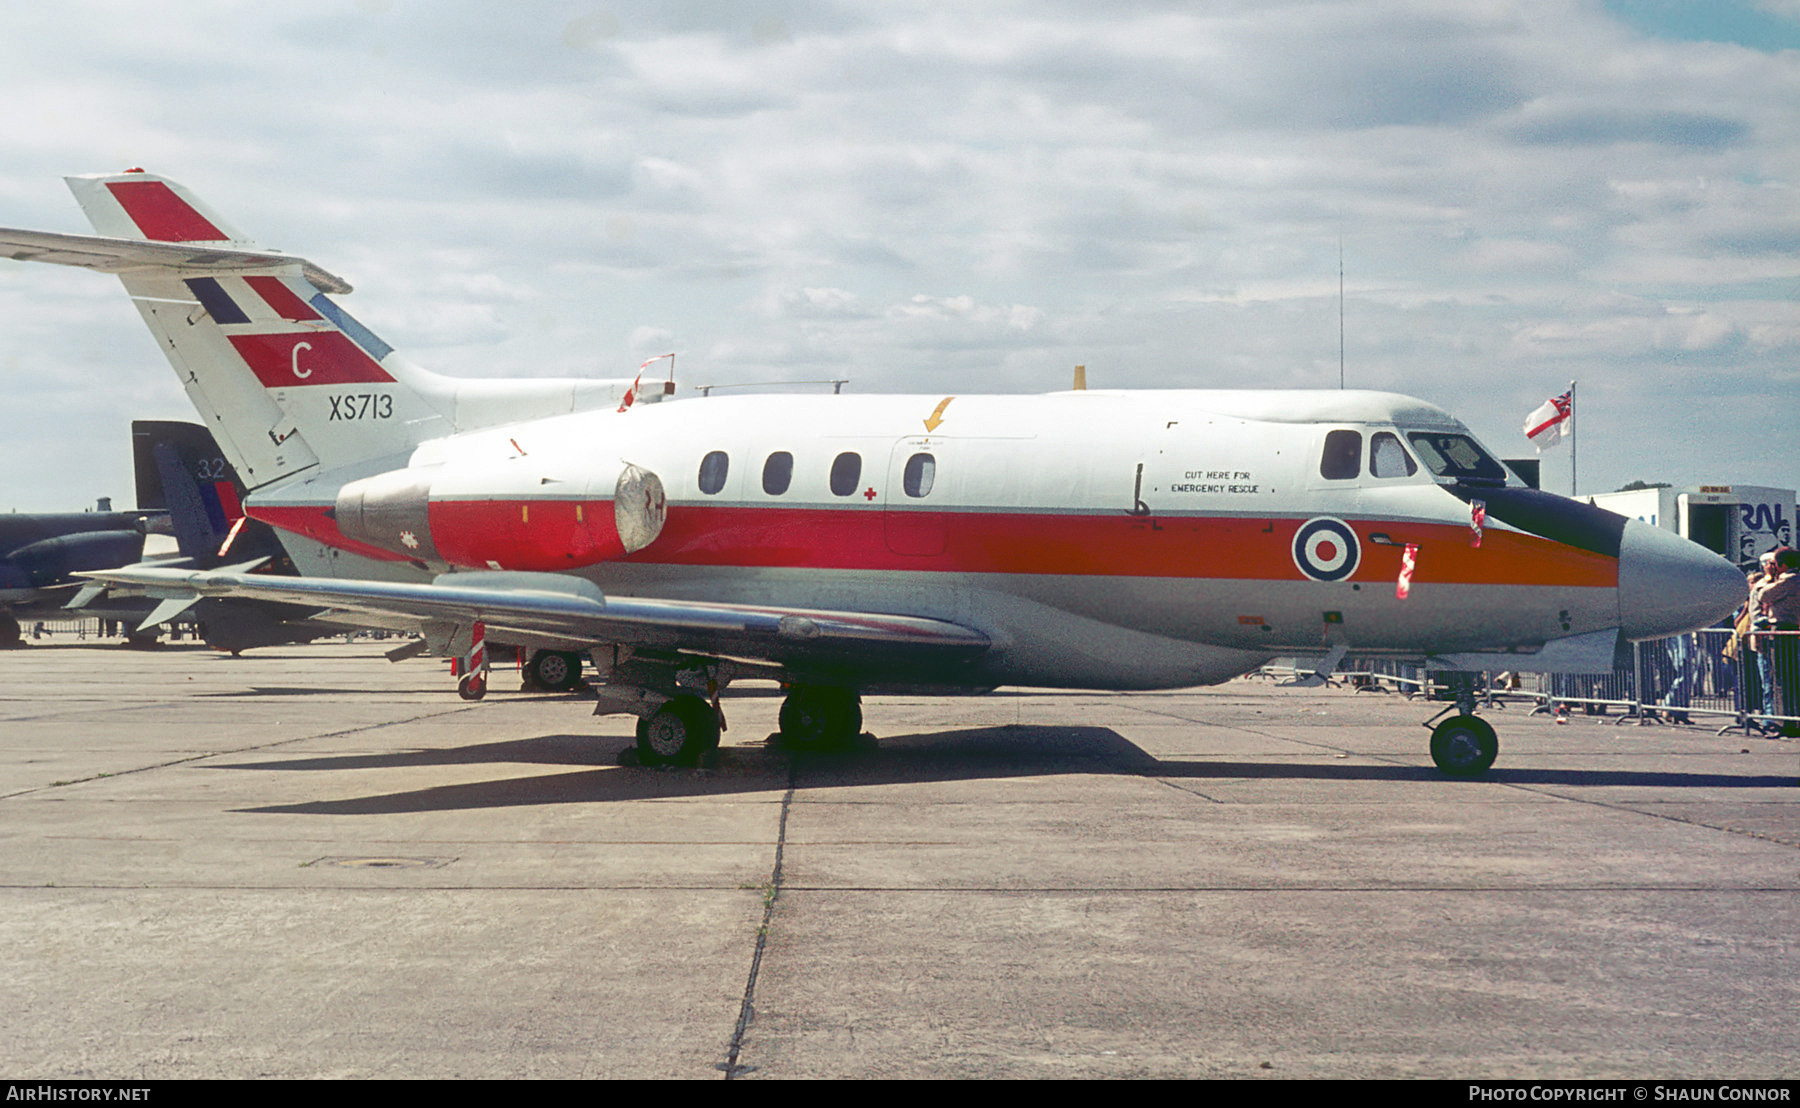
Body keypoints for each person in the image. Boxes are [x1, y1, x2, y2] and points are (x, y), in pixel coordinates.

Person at [1750, 548, 1800, 736]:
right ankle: (1790, 719)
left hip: (1781, 630)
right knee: (1788, 677)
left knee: (1781, 677)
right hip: (1790, 629)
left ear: (1782, 564)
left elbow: (1763, 595)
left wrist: (1769, 577)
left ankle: (1786, 722)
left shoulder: (1789, 580)